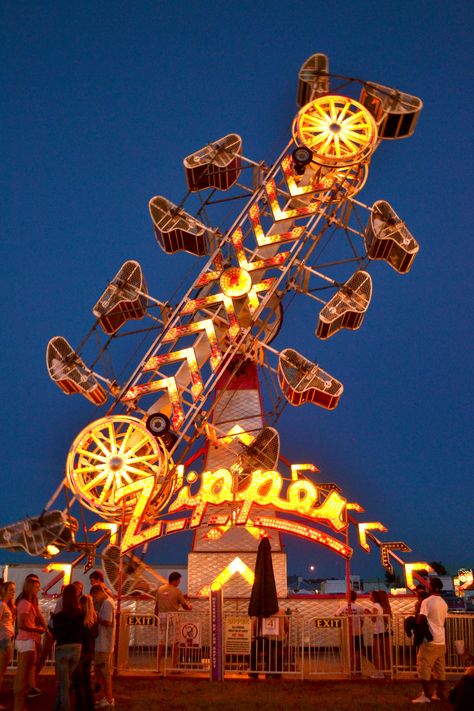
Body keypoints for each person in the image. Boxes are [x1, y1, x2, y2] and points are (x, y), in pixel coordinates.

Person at [412, 577, 448, 704]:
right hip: (441, 640)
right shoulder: (444, 603)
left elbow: (421, 619)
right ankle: (439, 693)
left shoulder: (427, 602)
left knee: (423, 667)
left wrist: (414, 624)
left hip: (430, 640)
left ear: (430, 587)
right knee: (440, 669)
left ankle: (426, 695)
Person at [14, 575, 47, 711]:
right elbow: (22, 625)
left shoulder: (30, 602)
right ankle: (18, 706)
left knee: (26, 672)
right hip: (25, 640)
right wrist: (37, 629)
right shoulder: (25, 603)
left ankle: (20, 705)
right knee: (22, 675)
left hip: (28, 639)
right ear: (30, 587)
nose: (38, 589)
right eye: (36, 587)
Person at [51, 584, 83, 711]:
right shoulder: (80, 614)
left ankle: (65, 707)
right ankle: (56, 707)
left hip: (62, 649)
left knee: (64, 684)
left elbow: (56, 633)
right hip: (76, 648)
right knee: (66, 682)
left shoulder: (59, 616)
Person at [154, 572, 192, 670]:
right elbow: (184, 605)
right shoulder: (177, 591)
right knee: (175, 641)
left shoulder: (160, 589)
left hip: (161, 616)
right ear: (174, 580)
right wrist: (189, 607)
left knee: (161, 641)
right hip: (173, 617)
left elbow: (156, 606)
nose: (179, 582)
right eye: (179, 580)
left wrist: (155, 618)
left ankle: (157, 667)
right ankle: (173, 666)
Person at [90, 584, 115, 708]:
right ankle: (104, 698)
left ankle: (109, 699)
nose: (95, 599)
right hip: (102, 643)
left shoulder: (107, 603)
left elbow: (107, 622)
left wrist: (95, 617)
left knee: (105, 673)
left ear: (98, 592)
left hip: (104, 644)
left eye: (94, 596)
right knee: (100, 672)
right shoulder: (107, 602)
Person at [72, 594, 98, 711]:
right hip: (89, 651)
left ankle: (80, 706)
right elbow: (96, 634)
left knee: (78, 681)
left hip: (80, 652)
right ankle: (90, 705)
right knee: (87, 680)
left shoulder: (79, 618)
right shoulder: (94, 618)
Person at [335, 591, 368, 675]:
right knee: (358, 651)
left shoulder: (344, 607)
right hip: (358, 632)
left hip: (348, 632)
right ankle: (358, 668)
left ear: (348, 597)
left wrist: (343, 617)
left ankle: (351, 668)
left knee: (351, 651)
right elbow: (362, 620)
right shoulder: (359, 607)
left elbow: (336, 615)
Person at [0, 581, 16, 707]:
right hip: (3, 639)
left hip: (6, 638)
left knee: (2, 671)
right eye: (10, 590)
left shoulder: (7, 605)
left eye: (13, 590)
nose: (12, 592)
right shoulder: (1, 605)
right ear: (4, 590)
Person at [368, 590, 385, 678]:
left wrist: (367, 613)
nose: (369, 596)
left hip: (377, 631)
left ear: (374, 597)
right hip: (380, 630)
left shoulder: (375, 606)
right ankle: (380, 672)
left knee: (376, 652)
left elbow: (374, 618)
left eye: (370, 594)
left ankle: (379, 672)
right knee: (378, 652)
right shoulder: (379, 605)